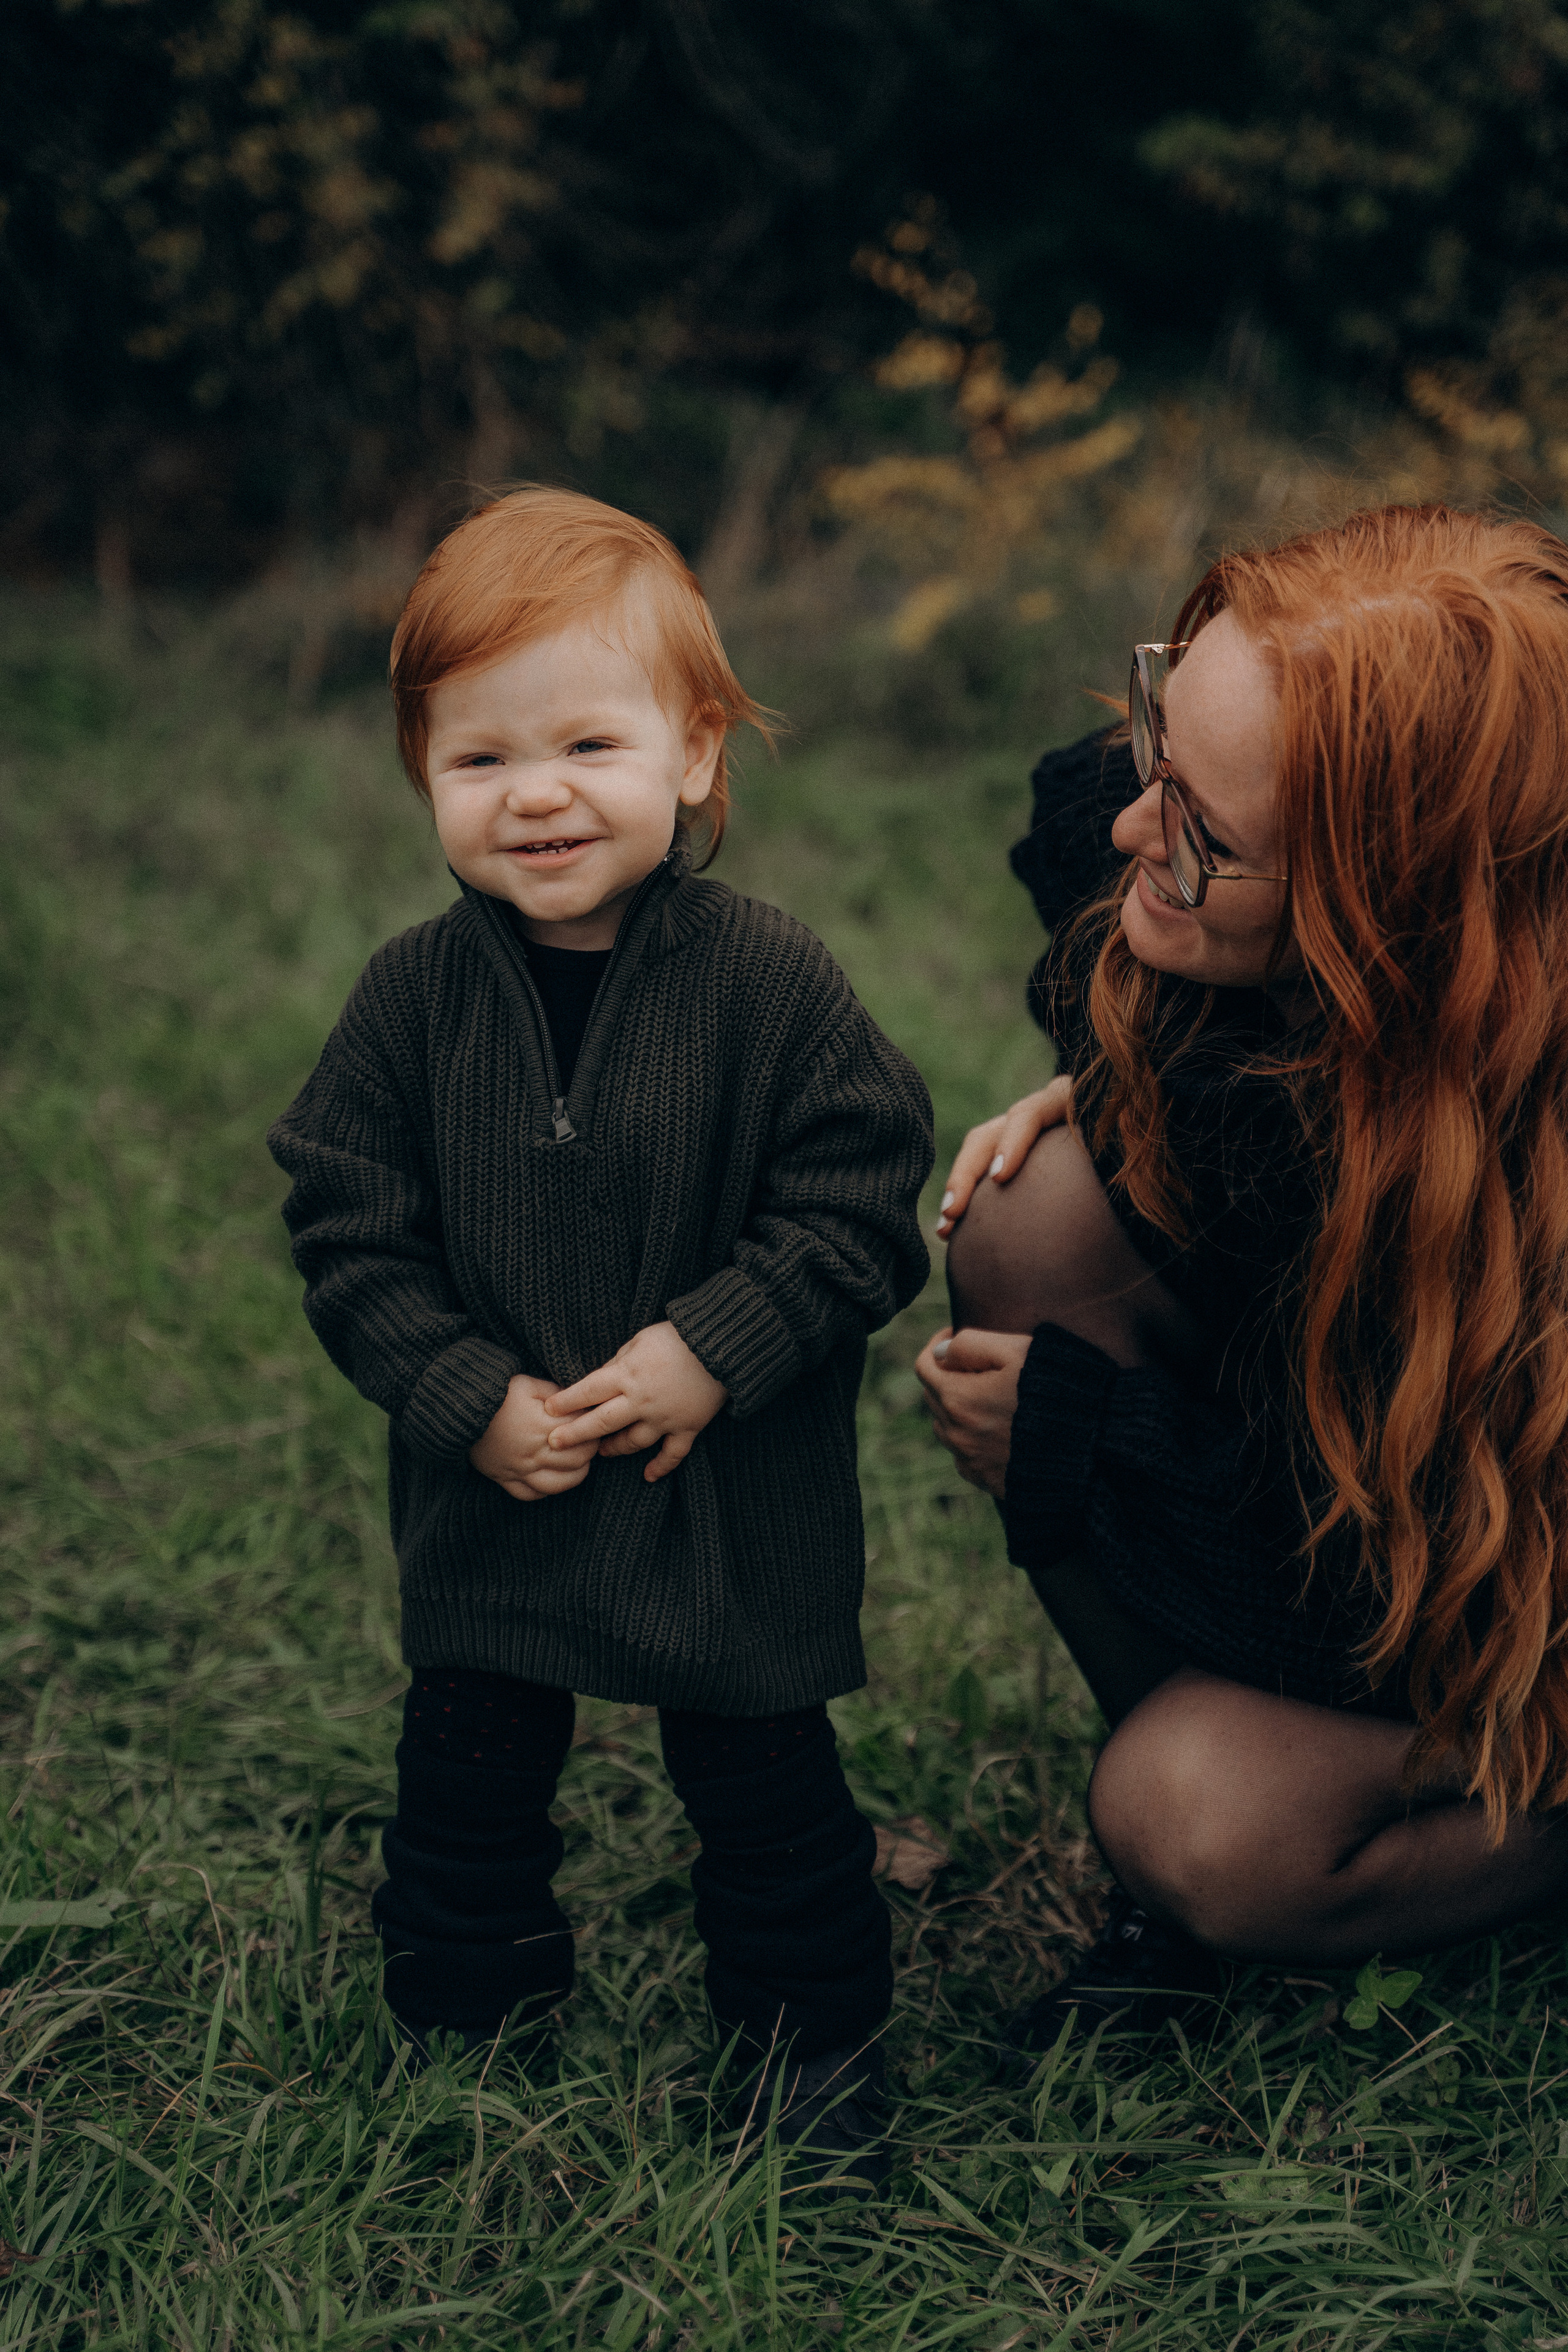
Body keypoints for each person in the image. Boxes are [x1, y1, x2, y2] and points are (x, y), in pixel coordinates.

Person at [268, 487, 933, 2183]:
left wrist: (718, 1343)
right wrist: (457, 1391)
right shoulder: (411, 1004)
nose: (538, 791)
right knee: (470, 1782)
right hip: (504, 1488)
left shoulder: (769, 983)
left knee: (767, 1789)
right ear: (423, 770)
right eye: (481, 758)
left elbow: (861, 1199)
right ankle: (466, 2027)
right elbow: (347, 1222)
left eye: (587, 740)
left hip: (729, 1502)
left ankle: (811, 2051)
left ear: (696, 754)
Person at [916, 505, 1568, 2054]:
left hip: (1518, 1616)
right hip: (1379, 1511)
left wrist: (1104, 1445)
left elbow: (1425, 1613)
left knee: (1199, 1819)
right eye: (1158, 734)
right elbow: (1081, 845)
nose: (1139, 827)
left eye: (1205, 831)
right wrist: (1127, 1073)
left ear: (1397, 911)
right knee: (1032, 1212)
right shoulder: (1171, 822)